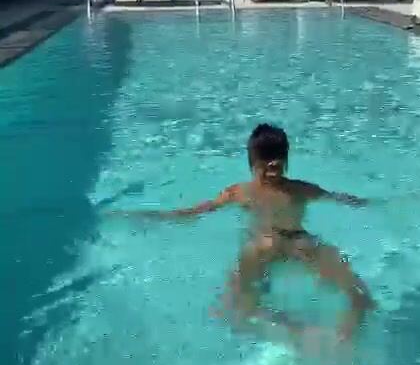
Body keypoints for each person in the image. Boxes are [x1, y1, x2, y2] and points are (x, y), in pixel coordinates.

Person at [110, 124, 375, 352]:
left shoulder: (288, 190)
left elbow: (340, 198)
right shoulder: (247, 192)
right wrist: (155, 216)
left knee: (359, 292)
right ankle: (287, 328)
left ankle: (340, 337)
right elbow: (197, 211)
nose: (272, 168)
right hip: (273, 245)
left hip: (291, 243)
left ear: (284, 160)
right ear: (253, 163)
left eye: (277, 161)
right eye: (266, 162)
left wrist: (376, 203)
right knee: (238, 296)